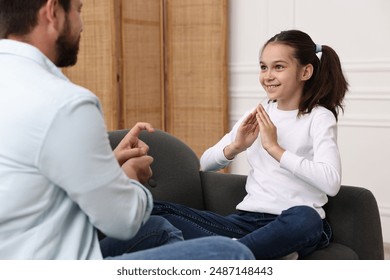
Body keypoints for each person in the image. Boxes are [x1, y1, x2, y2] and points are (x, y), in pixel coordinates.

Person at [0, 0, 254, 260]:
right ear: (53, 12)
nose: (81, 24)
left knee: (157, 229)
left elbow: (29, 183)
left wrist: (106, 167)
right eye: (78, 9)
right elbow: (122, 221)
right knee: (230, 253)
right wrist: (129, 177)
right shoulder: (65, 103)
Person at [152, 29, 349, 259]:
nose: (268, 75)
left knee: (306, 219)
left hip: (294, 221)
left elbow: (331, 182)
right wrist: (236, 146)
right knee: (154, 209)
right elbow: (205, 164)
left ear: (305, 71)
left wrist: (275, 149)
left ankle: (234, 252)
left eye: (279, 67)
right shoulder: (258, 113)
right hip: (246, 221)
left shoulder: (318, 117)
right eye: (263, 67)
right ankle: (256, 250)